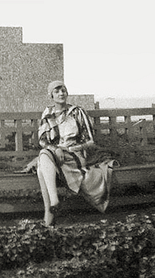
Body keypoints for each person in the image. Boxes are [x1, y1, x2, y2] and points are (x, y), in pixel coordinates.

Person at [22, 80, 117, 226]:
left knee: (43, 159)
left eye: (63, 90)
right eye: (57, 91)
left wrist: (70, 149)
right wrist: (56, 149)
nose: (61, 93)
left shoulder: (77, 112)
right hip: (55, 156)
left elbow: (90, 141)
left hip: (75, 156)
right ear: (51, 95)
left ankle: (50, 211)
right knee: (43, 161)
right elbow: (42, 140)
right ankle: (52, 207)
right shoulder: (48, 113)